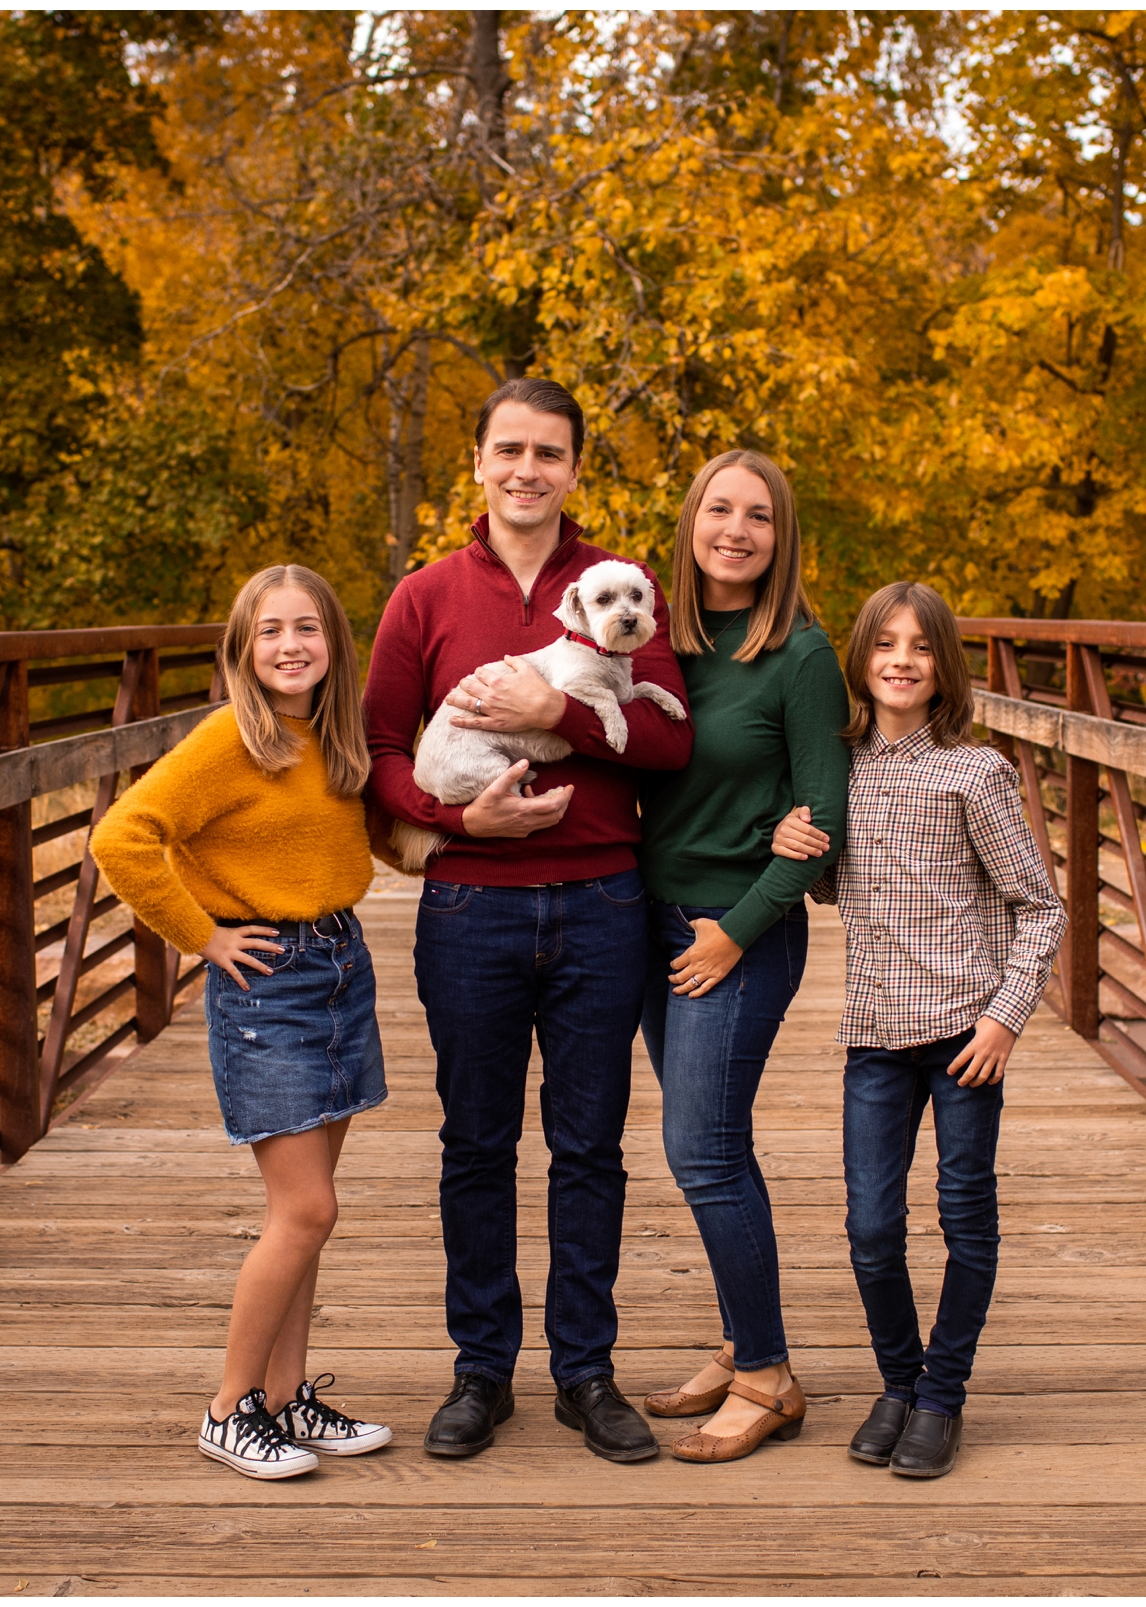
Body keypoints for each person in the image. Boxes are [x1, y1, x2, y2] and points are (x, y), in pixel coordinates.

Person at [364, 377, 694, 1463]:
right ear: (476, 460)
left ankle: (585, 1371)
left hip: (604, 899)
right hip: (472, 906)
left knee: (590, 1145)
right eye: (509, 448)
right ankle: (480, 1371)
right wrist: (455, 820)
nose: (527, 469)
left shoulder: (620, 584)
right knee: (476, 1141)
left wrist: (557, 712)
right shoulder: (425, 597)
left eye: (549, 453)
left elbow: (668, 746)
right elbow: (377, 748)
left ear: (574, 469)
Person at [92, 564, 394, 1481]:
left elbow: (359, 838)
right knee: (307, 1208)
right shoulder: (232, 737)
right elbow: (122, 836)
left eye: (308, 627)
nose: (291, 645)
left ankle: (284, 1398)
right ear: (241, 648)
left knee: (302, 1217)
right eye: (270, 630)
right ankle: (229, 1409)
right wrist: (204, 936)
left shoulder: (331, 737)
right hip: (271, 984)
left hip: (341, 965)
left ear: (336, 645)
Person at [769, 581, 1064, 1478]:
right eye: (885, 644)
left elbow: (1040, 907)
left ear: (945, 667)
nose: (901, 660)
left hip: (966, 1034)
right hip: (873, 1034)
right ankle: (898, 1381)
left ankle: (942, 1396)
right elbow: (833, 887)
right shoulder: (836, 770)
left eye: (922, 647)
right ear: (860, 659)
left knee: (964, 1214)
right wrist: (793, 846)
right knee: (870, 1225)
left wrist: (1006, 1018)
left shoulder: (976, 773)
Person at [632, 450, 850, 1463]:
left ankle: (767, 1374)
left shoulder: (800, 655)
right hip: (650, 922)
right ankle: (738, 1339)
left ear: (780, 536)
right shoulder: (652, 639)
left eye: (757, 515)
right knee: (708, 1143)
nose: (735, 529)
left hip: (736, 929)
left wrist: (737, 928)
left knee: (702, 1148)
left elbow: (827, 812)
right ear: (689, 524)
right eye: (718, 509)